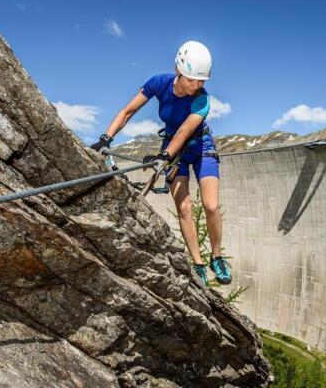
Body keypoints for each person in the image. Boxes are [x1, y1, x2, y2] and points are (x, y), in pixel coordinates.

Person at [90, 41, 231, 286]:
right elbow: (127, 111)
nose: (197, 86)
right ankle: (197, 263)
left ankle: (216, 258)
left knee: (211, 205)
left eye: (202, 81)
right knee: (184, 208)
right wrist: (106, 138)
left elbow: (184, 133)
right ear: (178, 70)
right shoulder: (159, 83)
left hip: (200, 146)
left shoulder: (202, 100)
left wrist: (164, 156)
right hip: (173, 150)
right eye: (191, 80)